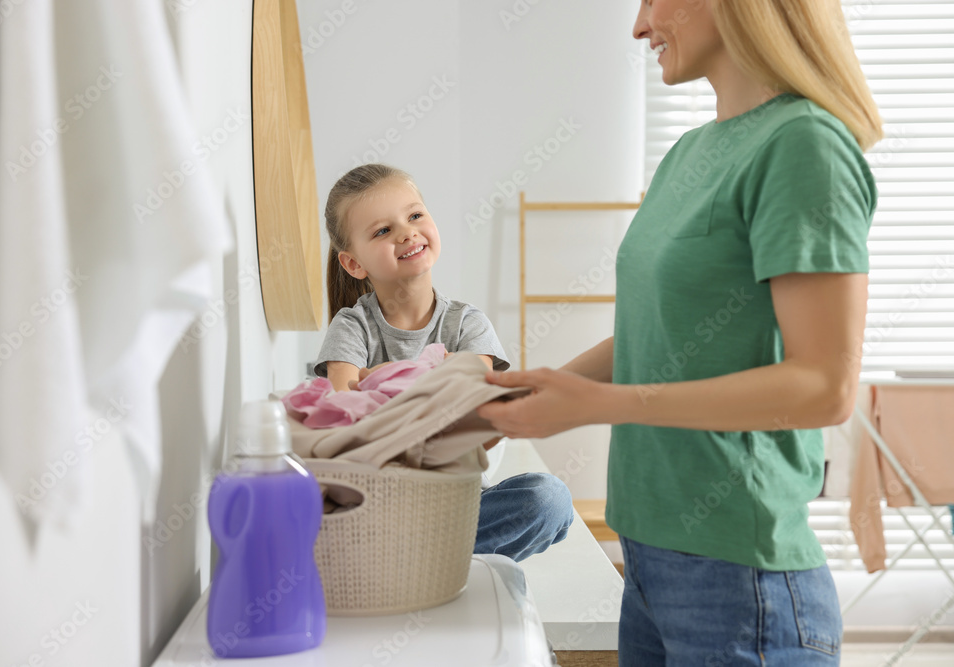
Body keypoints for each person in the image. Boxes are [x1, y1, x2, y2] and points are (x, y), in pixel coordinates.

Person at [478, 0, 882, 664]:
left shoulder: (804, 145)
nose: (639, 25)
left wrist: (598, 406)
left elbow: (824, 386)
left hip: (741, 580)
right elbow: (655, 335)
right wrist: (509, 399)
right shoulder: (692, 151)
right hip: (648, 556)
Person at [314, 162, 573, 562]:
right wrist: (435, 374)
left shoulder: (468, 323)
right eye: (383, 231)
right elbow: (343, 416)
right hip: (380, 500)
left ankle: (416, 558)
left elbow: (473, 415)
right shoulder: (351, 326)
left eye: (415, 215)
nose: (407, 232)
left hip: (456, 498)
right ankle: (428, 558)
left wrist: (377, 380)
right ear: (354, 263)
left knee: (549, 499)